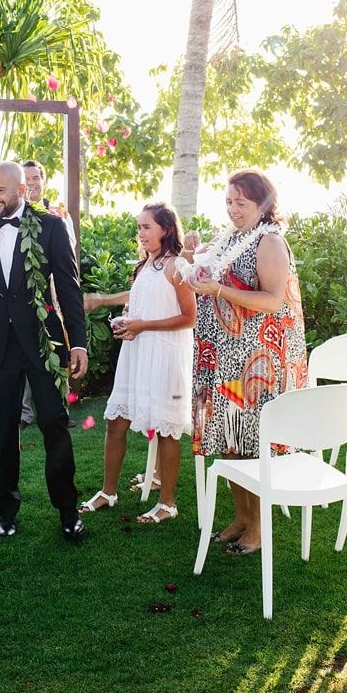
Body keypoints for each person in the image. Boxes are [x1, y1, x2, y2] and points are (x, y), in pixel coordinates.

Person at [181, 169, 308, 555]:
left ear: (263, 205)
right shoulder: (230, 239)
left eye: (242, 203)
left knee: (253, 443)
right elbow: (203, 269)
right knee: (231, 439)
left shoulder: (269, 241)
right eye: (229, 202)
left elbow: (272, 300)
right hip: (223, 354)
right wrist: (190, 256)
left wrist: (218, 289)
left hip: (257, 359)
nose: (233, 209)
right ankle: (240, 516)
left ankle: (258, 526)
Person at [0, 161, 88, 541]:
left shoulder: (50, 225)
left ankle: (68, 509)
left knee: (54, 422)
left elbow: (68, 285)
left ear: (21, 190)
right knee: (3, 429)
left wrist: (77, 340)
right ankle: (6, 511)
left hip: (43, 341)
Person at [80, 202, 196, 523]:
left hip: (165, 357)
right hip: (138, 354)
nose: (140, 233)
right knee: (115, 421)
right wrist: (128, 322)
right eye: (139, 227)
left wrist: (143, 325)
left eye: (147, 227)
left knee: (166, 430)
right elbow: (143, 303)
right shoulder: (146, 266)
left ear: (166, 230)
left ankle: (167, 504)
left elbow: (189, 318)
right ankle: (108, 492)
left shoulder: (177, 267)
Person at [20, 158, 77, 429]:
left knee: (55, 343)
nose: (30, 183)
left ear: (43, 182)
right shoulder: (13, 215)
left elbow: (69, 254)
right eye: (25, 178)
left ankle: (59, 408)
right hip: (24, 294)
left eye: (35, 178)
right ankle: (22, 412)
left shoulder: (57, 216)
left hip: (53, 289)